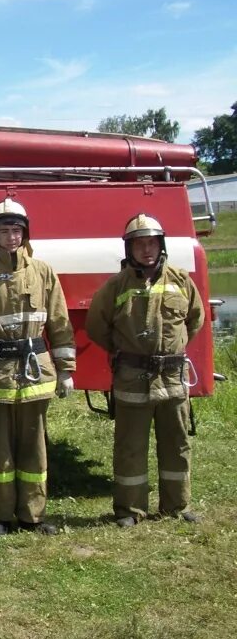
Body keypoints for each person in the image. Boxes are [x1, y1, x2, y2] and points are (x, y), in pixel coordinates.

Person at [0, 199, 75, 536]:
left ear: (25, 233)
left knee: (34, 449)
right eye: (4, 230)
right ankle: (1, 515)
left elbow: (60, 324)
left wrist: (66, 369)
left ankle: (33, 515)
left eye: (17, 230)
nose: (11, 236)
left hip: (35, 373)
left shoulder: (43, 272)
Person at [86, 213, 204, 528]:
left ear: (160, 244)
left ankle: (176, 506)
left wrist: (172, 349)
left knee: (176, 444)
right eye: (139, 244)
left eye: (151, 242)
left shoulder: (180, 280)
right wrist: (123, 349)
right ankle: (129, 510)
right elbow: (96, 326)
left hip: (172, 378)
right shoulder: (115, 286)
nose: (146, 249)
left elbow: (196, 318)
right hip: (132, 378)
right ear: (130, 249)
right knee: (130, 447)